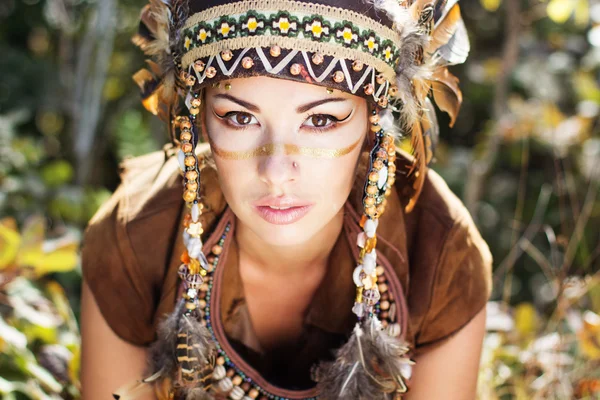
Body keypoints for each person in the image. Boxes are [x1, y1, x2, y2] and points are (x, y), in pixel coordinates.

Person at [80, 0, 493, 399]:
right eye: (239, 118)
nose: (276, 171)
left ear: (372, 122)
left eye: (321, 120)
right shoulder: (135, 235)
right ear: (200, 116)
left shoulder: (441, 253)